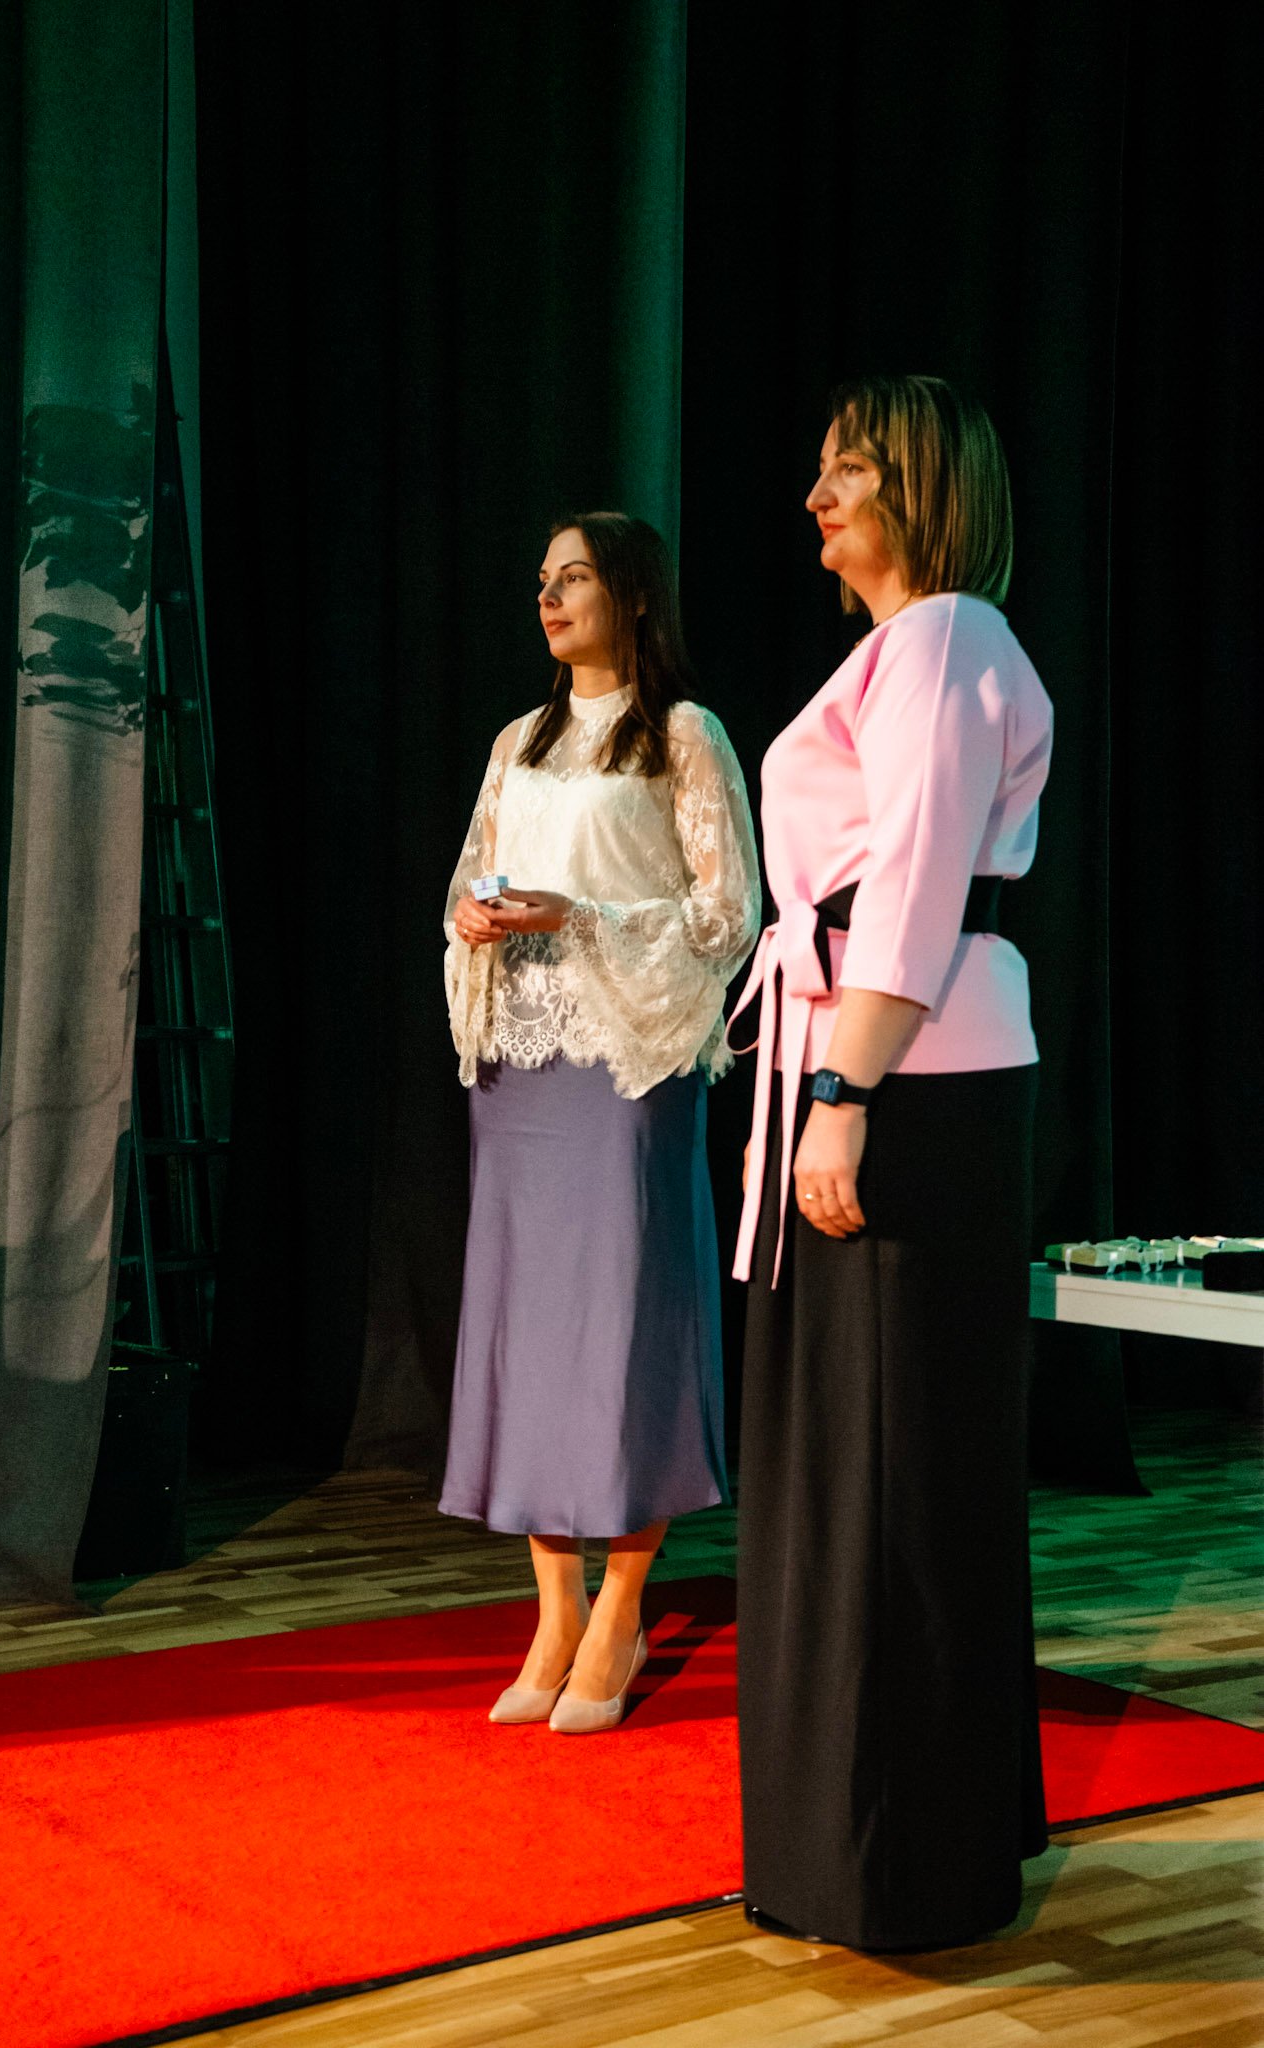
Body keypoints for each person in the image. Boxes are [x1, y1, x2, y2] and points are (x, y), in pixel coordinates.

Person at [733, 375, 1053, 1947]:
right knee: (876, 1462)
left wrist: (844, 1088)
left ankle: (894, 1860)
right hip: (881, 1061)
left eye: (845, 468)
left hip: (902, 1076)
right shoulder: (908, 647)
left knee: (885, 1470)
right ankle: (896, 1834)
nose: (816, 494)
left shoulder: (943, 637)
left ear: (919, 484)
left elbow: (916, 875)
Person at [441, 510, 760, 1734]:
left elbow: (728, 913)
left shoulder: (683, 735)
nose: (549, 595)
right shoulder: (516, 738)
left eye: (572, 576)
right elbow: (471, 873)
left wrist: (576, 913)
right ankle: (554, 1611)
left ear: (630, 594)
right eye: (542, 578)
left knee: (625, 1323)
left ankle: (623, 1606)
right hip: (521, 1063)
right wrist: (477, 915)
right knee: (529, 1325)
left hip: (629, 1063)